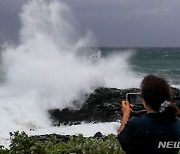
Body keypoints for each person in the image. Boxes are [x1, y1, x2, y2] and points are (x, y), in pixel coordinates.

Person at [117, 75, 180, 154]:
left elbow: (122, 142)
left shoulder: (136, 125)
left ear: (145, 99)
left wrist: (126, 114)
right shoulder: (177, 124)